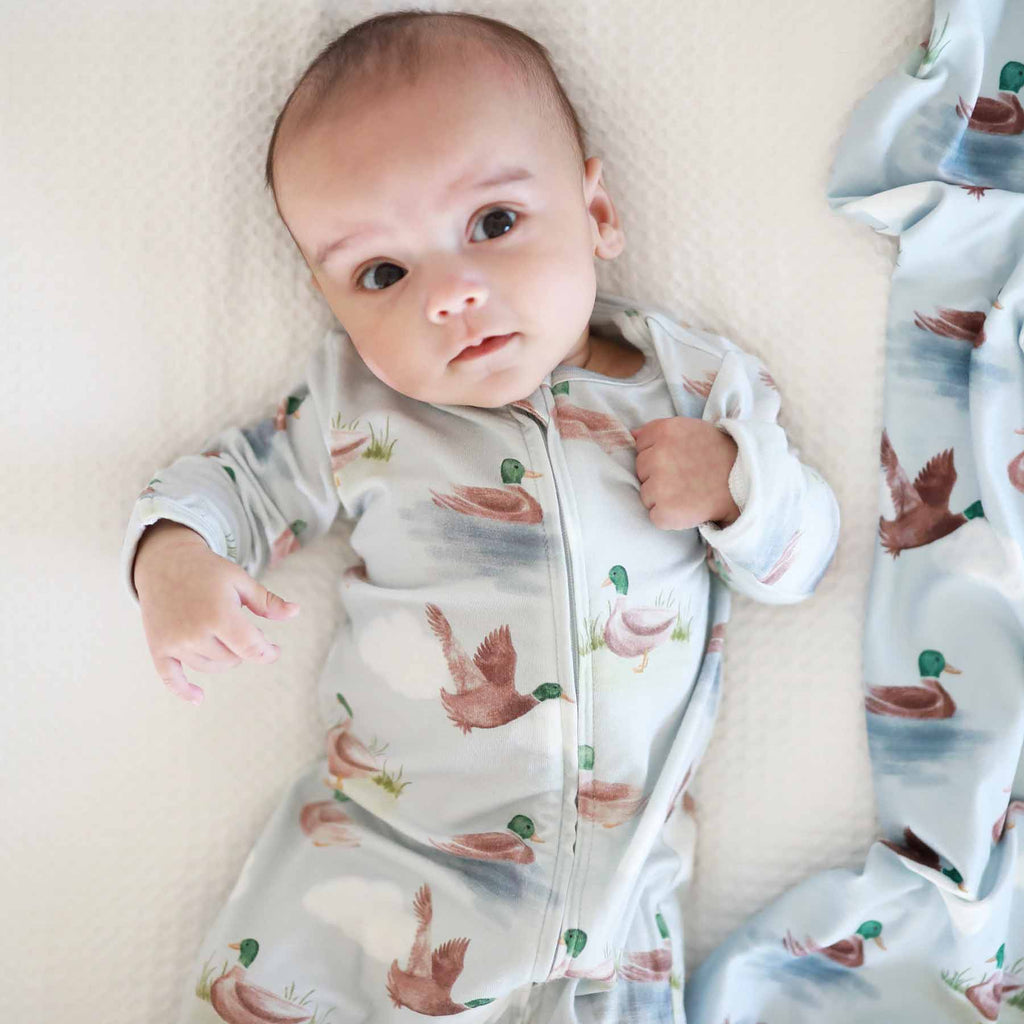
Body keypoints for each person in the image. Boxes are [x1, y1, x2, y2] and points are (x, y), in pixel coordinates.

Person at [121, 10, 840, 1023]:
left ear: (596, 212)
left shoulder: (688, 386)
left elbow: (805, 558)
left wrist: (739, 488)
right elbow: (237, 482)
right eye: (383, 274)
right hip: (382, 866)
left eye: (494, 223)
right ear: (332, 301)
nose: (451, 295)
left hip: (608, 924)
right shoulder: (358, 411)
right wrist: (173, 557)